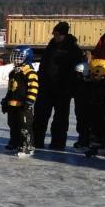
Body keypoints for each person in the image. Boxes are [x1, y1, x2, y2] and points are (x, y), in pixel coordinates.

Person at [32, 21, 84, 150]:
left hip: (63, 89)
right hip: (46, 87)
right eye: (54, 34)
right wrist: (40, 79)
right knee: (40, 116)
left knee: (60, 119)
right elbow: (44, 65)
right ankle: (36, 140)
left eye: (58, 34)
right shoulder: (51, 46)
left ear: (64, 35)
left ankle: (58, 143)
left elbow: (77, 70)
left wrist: (70, 87)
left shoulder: (73, 49)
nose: (55, 36)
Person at [2, 46, 39, 156]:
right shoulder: (13, 73)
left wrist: (29, 101)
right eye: (15, 57)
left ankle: (27, 145)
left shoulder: (30, 73)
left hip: (23, 106)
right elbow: (11, 89)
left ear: (27, 58)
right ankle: (15, 142)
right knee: (12, 124)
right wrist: (6, 101)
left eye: (19, 57)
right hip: (12, 105)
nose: (16, 60)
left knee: (24, 126)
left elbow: (34, 88)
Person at [84, 59, 105, 160]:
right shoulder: (92, 84)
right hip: (95, 110)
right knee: (95, 127)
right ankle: (95, 145)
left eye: (94, 73)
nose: (92, 75)